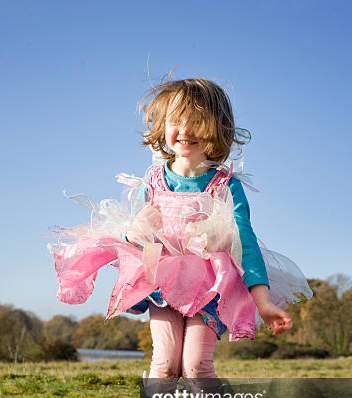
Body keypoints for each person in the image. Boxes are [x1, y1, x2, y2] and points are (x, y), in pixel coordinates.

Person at [48, 77, 313, 382]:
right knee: (164, 364)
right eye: (177, 120)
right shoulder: (154, 180)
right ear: (163, 125)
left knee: (195, 366)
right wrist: (136, 233)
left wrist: (263, 301)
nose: (185, 130)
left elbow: (245, 241)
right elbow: (142, 239)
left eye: (197, 121)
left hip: (211, 287)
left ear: (217, 127)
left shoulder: (225, 185)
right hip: (163, 284)